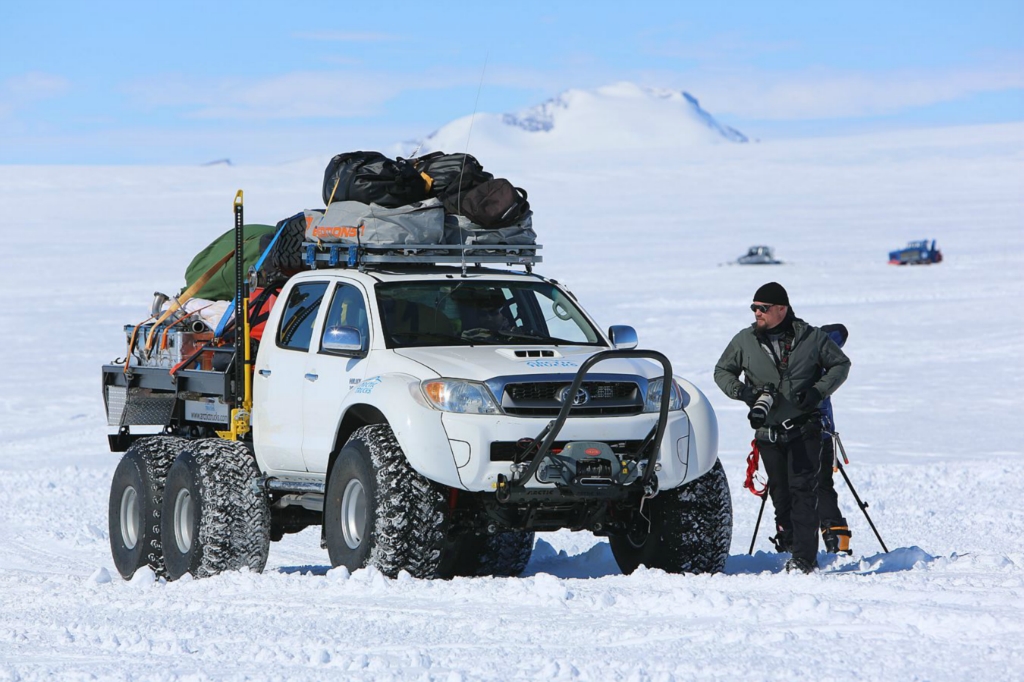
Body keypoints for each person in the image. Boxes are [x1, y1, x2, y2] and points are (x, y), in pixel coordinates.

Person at [714, 282, 851, 573]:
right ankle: (789, 546)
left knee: (804, 492)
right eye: (753, 308)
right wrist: (744, 393)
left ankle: (804, 560)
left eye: (762, 308)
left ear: (781, 309)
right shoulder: (744, 340)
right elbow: (722, 371)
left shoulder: (812, 338)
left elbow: (841, 364)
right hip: (768, 433)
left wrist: (817, 392)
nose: (756, 313)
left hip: (805, 429)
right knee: (782, 496)